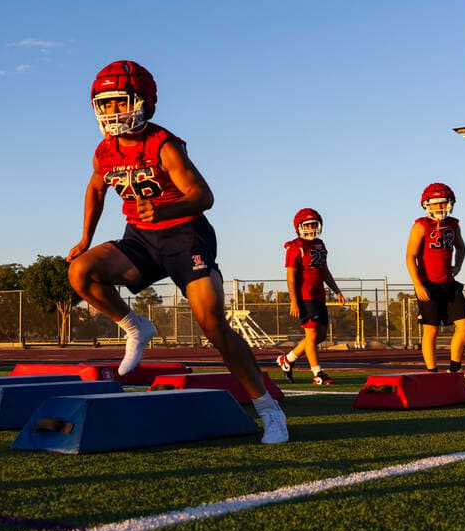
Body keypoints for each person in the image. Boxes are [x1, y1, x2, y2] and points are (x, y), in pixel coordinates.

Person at [67, 60, 289, 443]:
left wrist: (167, 208)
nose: (111, 112)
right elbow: (95, 189)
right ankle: (136, 326)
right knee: (80, 272)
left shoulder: (163, 145)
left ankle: (268, 408)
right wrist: (86, 238)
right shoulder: (104, 151)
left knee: (212, 325)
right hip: (141, 237)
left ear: (142, 102)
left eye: (119, 102)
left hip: (185, 236)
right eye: (104, 104)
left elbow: (204, 196)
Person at [404, 183, 465, 377]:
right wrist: (418, 284)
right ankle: (432, 372)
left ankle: (455, 369)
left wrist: (458, 266)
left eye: (443, 203)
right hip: (428, 284)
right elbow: (410, 256)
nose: (439, 208)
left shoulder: (453, 224)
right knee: (431, 330)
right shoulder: (420, 225)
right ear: (426, 205)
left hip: (449, 283)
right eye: (435, 204)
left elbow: (461, 247)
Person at [275, 208, 346, 385]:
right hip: (305, 296)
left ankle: (288, 359)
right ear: (299, 227)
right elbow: (291, 277)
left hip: (319, 296)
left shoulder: (320, 245)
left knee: (319, 336)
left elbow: (324, 271)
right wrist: (294, 301)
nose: (311, 228)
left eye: (314, 224)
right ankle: (318, 373)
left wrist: (337, 290)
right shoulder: (295, 247)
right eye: (307, 225)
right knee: (312, 334)